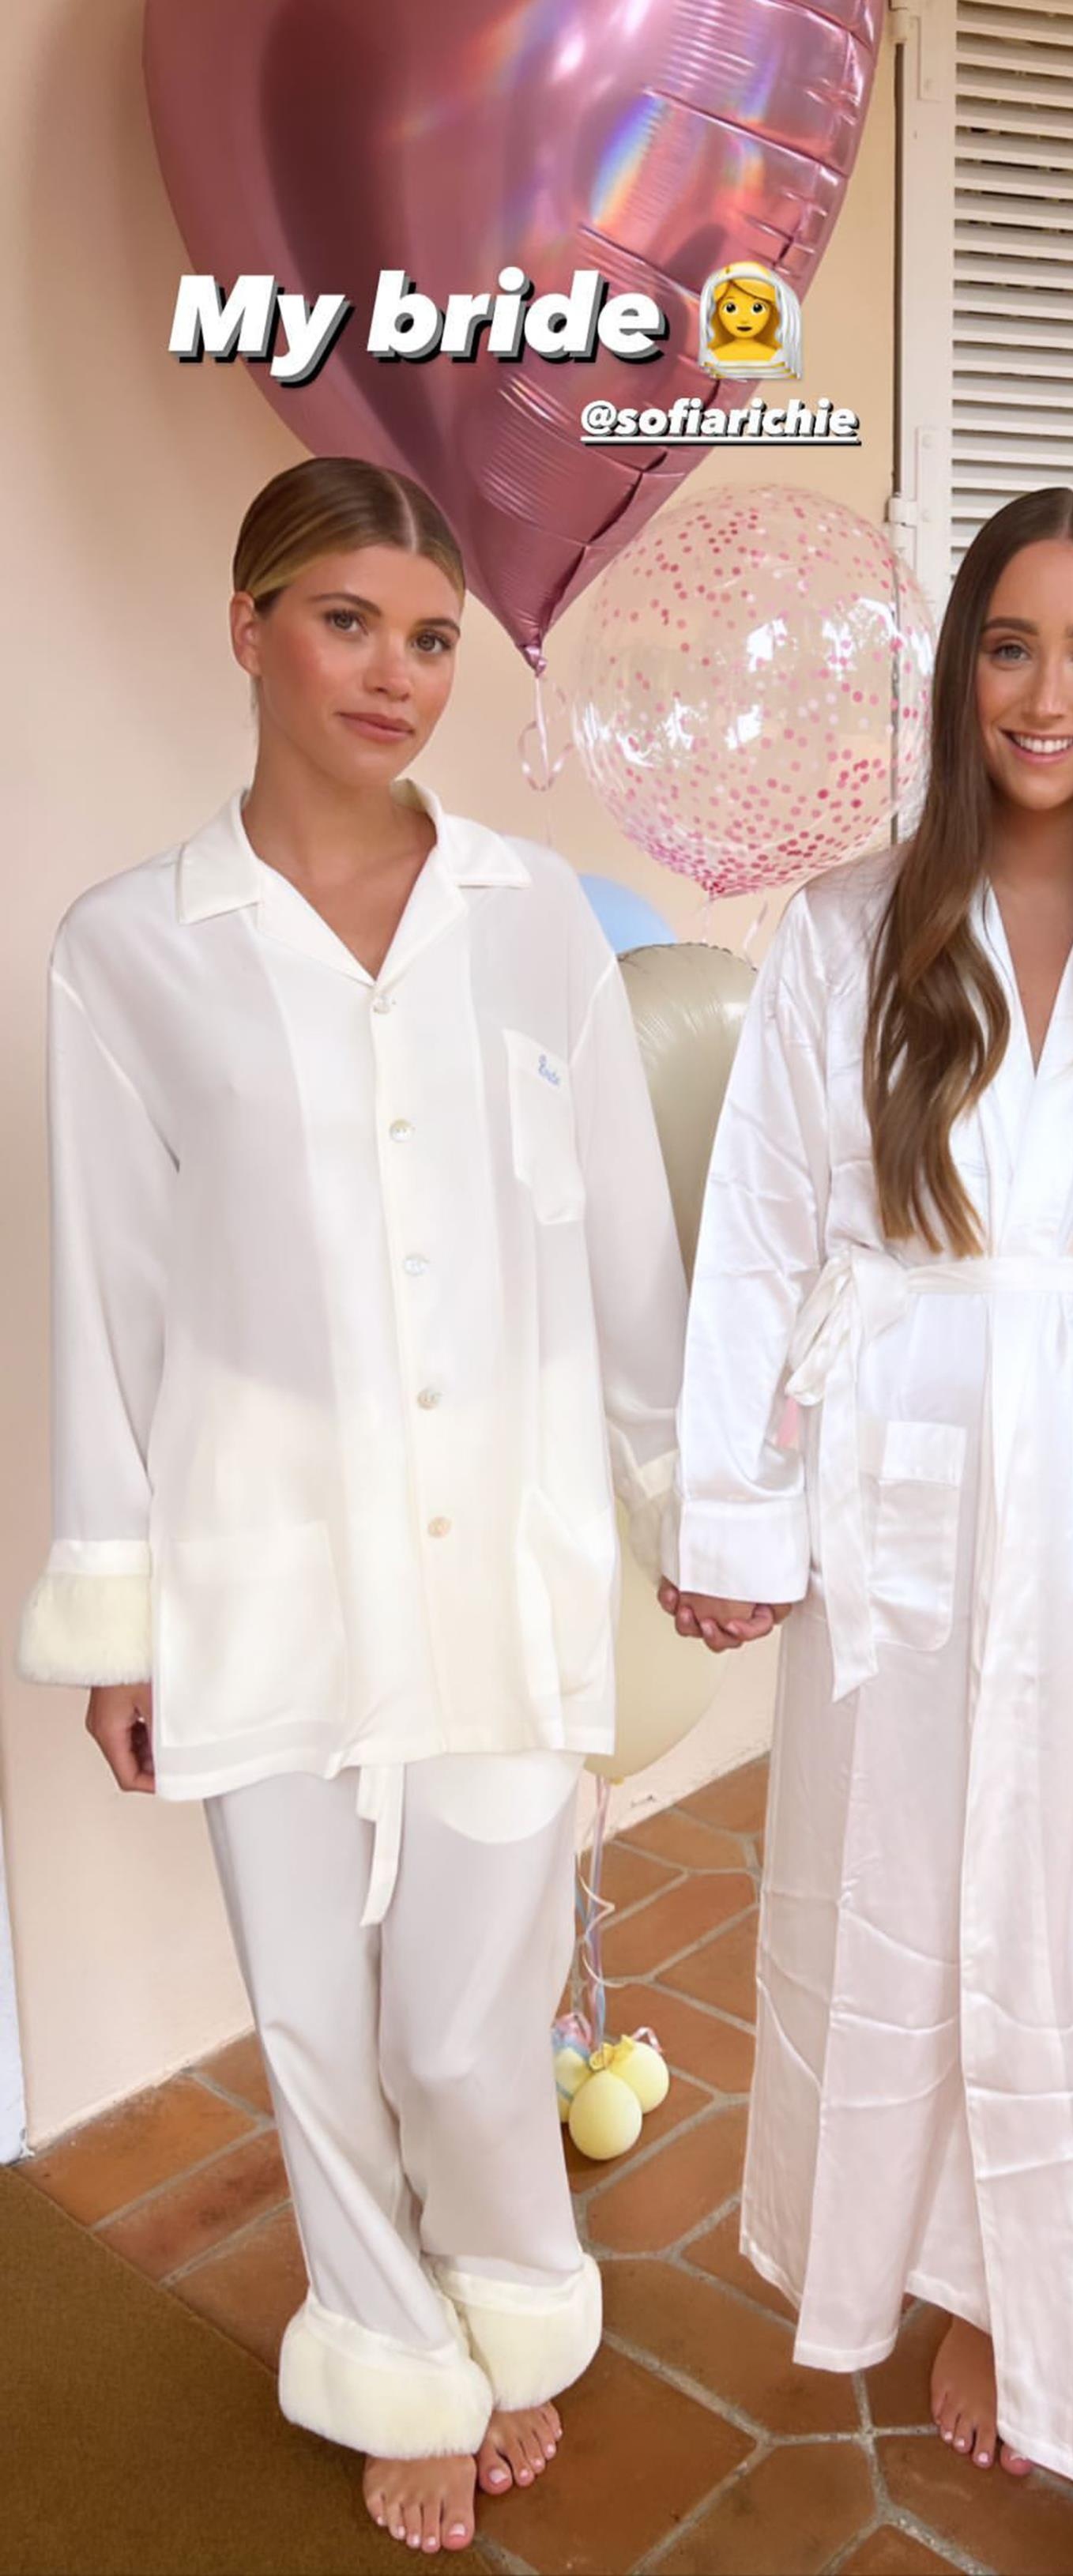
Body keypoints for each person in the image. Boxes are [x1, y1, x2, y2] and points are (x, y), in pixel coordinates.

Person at [20, 455, 687, 2556]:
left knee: (472, 2025)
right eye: (345, 622)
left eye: (431, 638)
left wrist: (686, 1495)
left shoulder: (532, 922)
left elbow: (624, 1241)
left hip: (499, 1555)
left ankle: (512, 2287)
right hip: (264, 1560)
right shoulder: (132, 950)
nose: (395, 674)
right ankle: (389, 2343)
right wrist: (121, 1615)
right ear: (248, 627)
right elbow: (109, 1294)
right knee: (315, 2012)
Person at [658, 485, 1073, 2576]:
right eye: (1011, 646)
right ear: (958, 675)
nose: (1048, 693)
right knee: (913, 1902)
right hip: (906, 1484)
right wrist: (736, 1508)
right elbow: (763, 1235)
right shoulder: (848, 929)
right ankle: (963, 2288)